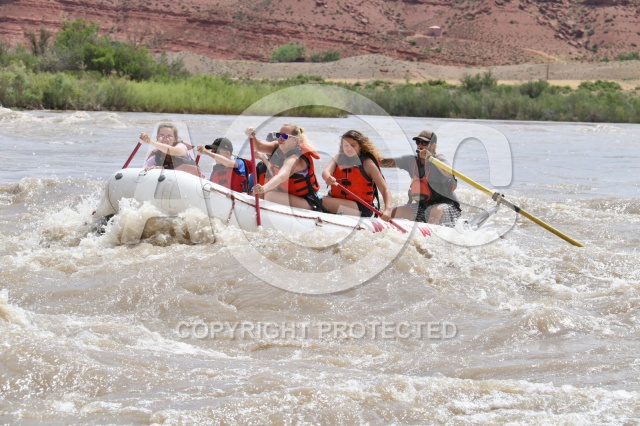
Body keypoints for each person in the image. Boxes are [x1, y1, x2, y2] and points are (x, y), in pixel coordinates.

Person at [381, 130, 461, 226]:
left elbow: (448, 172)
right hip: (424, 207)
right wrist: (368, 155)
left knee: (436, 211)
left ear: (433, 146)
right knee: (396, 212)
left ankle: (430, 233)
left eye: (424, 143)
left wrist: (431, 158)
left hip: (448, 207)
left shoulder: (440, 160)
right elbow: (382, 162)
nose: (420, 145)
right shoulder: (410, 161)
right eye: (418, 142)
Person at [245, 123, 322, 211]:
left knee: (270, 196)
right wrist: (251, 136)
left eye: (285, 136)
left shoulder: (295, 159)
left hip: (307, 201)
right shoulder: (277, 147)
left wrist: (263, 188)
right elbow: (259, 146)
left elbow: (281, 177)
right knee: (258, 195)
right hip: (287, 195)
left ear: (295, 140)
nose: (280, 139)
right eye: (278, 135)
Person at [321, 130, 393, 221]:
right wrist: (327, 177)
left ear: (360, 146)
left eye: (353, 145)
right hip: (336, 201)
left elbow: (385, 189)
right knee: (314, 198)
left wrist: (388, 210)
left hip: (361, 209)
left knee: (317, 201)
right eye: (346, 145)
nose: (349, 148)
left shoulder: (368, 164)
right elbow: (325, 172)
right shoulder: (338, 158)